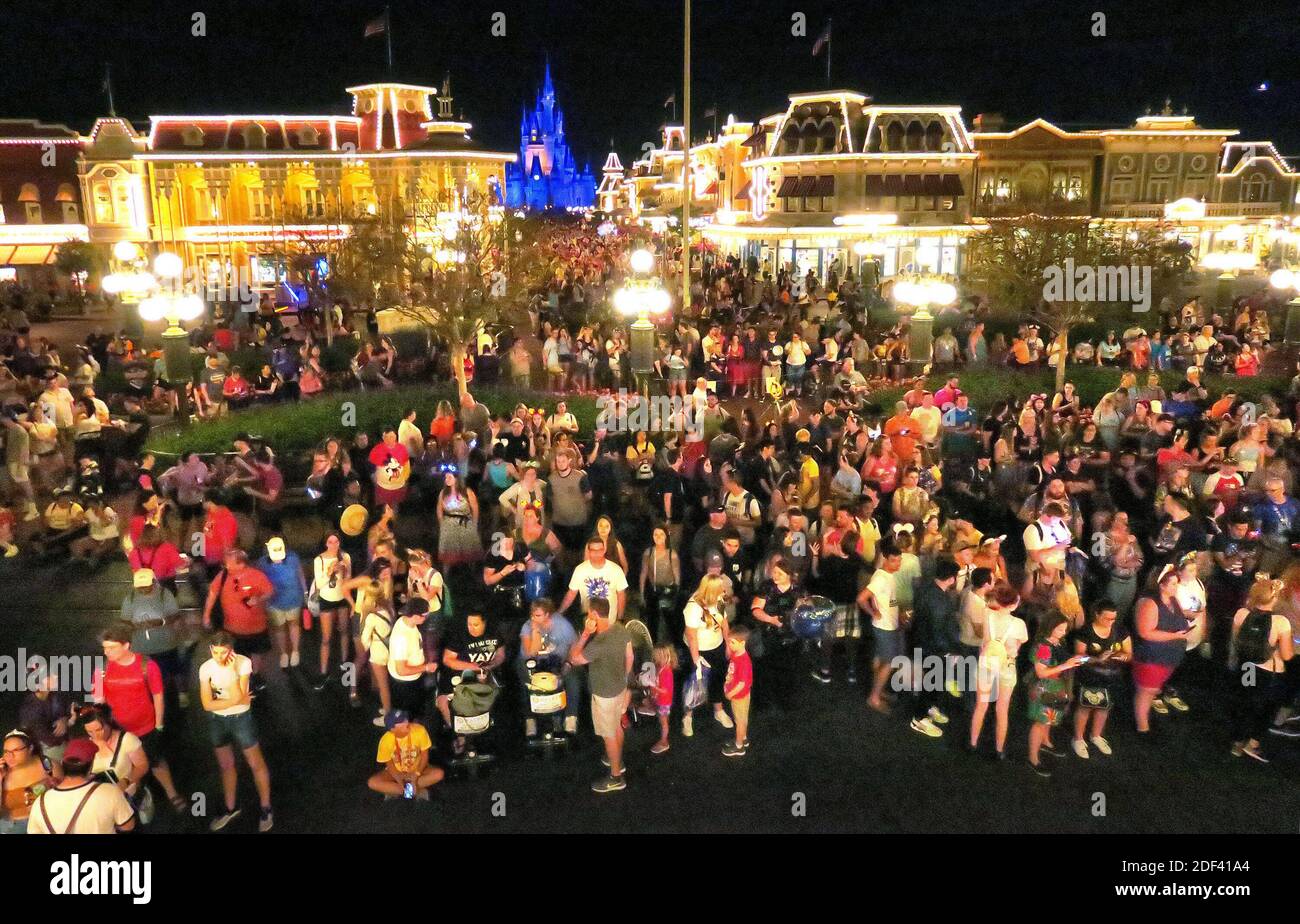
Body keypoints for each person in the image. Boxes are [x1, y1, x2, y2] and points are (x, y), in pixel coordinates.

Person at [91, 626, 186, 812]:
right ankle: (139, 797)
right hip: (118, 730)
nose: (106, 652)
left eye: (111, 647)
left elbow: (158, 695)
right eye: (105, 648)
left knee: (156, 761)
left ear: (126, 645)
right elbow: (98, 700)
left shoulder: (147, 666)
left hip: (146, 727)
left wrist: (158, 724)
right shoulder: (102, 669)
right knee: (128, 767)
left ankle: (171, 793)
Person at [198, 631, 274, 832]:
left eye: (224, 652)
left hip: (241, 719)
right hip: (217, 720)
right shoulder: (205, 668)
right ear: (210, 650)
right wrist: (236, 699)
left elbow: (238, 696)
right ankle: (231, 807)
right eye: (216, 652)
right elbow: (207, 703)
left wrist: (232, 674)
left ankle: (266, 807)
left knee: (255, 763)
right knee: (226, 765)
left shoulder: (242, 664)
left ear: (232, 651)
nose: (220, 657)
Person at [567, 598, 633, 793]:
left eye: (589, 613)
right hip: (619, 687)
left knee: (608, 734)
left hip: (604, 694)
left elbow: (574, 658)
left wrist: (585, 634)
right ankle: (617, 761)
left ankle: (615, 776)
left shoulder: (599, 642)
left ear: (594, 615)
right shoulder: (621, 630)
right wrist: (624, 678)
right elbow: (630, 656)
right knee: (616, 726)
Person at [1229, 577, 1294, 763]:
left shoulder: (1241, 614)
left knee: (1245, 703)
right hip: (1270, 673)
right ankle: (1253, 744)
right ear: (1275, 598)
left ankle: (1237, 743)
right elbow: (1287, 655)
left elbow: (1236, 641)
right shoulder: (1281, 622)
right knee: (1266, 709)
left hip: (1247, 667)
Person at [968, 583, 1028, 760]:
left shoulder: (987, 614)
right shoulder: (1019, 624)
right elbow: (1020, 643)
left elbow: (989, 605)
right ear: (1011, 605)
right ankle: (999, 749)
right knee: (1002, 709)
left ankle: (972, 742)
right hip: (1006, 666)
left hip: (986, 663)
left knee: (981, 705)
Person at [26, 738, 135, 835]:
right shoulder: (109, 792)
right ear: (91, 765)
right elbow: (127, 826)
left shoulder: (40, 802)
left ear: (62, 763)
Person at [1132, 567, 1191, 735]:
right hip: (1151, 657)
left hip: (1168, 657)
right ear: (1161, 584)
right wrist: (1174, 636)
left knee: (1152, 690)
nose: (1175, 587)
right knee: (1146, 691)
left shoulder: (1173, 601)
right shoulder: (1149, 603)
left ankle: (1145, 721)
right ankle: (1142, 727)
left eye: (1176, 583)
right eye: (1172, 584)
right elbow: (1145, 632)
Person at [1026, 613, 1085, 778]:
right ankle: (1033, 758)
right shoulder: (1043, 647)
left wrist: (1082, 659)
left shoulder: (1057, 642)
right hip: (1046, 688)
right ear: (1049, 627)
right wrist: (1066, 665)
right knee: (1040, 722)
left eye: (1065, 629)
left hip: (1058, 687)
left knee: (1049, 719)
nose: (1063, 632)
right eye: (1059, 629)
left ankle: (1045, 742)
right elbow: (1042, 672)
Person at [1071, 600, 1131, 759]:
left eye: (1113, 619)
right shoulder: (1085, 632)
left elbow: (1129, 653)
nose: (1111, 622)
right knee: (1085, 706)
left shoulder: (1120, 630)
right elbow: (1079, 658)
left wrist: (1121, 656)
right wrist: (1096, 659)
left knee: (1104, 707)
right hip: (1090, 676)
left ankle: (1096, 735)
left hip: (1111, 676)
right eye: (1107, 618)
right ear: (1096, 614)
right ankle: (1078, 738)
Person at [517, 598, 581, 736]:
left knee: (573, 679)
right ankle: (530, 719)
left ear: (547, 615)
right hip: (534, 662)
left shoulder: (562, 625)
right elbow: (531, 653)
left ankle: (571, 717)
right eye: (533, 615)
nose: (534, 618)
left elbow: (575, 646)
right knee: (525, 681)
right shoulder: (527, 627)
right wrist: (535, 631)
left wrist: (568, 663)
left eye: (538, 615)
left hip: (558, 660)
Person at [681, 574, 733, 736]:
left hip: (716, 646)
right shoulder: (693, 607)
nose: (724, 591)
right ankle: (687, 717)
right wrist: (696, 659)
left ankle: (718, 709)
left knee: (718, 677)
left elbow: (724, 622)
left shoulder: (719, 599)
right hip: (697, 649)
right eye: (720, 588)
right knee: (694, 683)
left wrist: (728, 643)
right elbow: (691, 635)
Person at [859, 541, 904, 714]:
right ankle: (874, 697)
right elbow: (862, 598)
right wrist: (872, 612)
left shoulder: (886, 575)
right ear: (885, 559)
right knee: (889, 662)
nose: (897, 564)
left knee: (880, 658)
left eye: (899, 560)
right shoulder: (881, 578)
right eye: (894, 561)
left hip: (886, 624)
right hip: (884, 626)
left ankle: (878, 689)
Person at [368, 709, 444, 800]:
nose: (406, 722)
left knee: (439, 774)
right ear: (392, 729)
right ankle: (414, 790)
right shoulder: (386, 740)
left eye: (405, 719)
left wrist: (416, 773)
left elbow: (424, 756)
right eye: (401, 721)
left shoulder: (419, 730)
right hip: (397, 771)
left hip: (417, 768)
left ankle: (397, 791)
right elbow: (389, 763)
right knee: (372, 782)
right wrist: (398, 778)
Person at [256, 536, 307, 670]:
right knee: (279, 628)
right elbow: (259, 582)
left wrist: (306, 592)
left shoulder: (293, 558)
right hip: (274, 601)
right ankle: (284, 653)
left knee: (294, 624)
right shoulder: (262, 563)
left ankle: (295, 651)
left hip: (293, 598)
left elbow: (300, 574)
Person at [0, 730, 56, 834]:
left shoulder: (47, 765)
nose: (9, 756)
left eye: (16, 750)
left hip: (45, 823)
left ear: (30, 749)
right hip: (12, 827)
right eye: (6, 751)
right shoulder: (2, 771)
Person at [560, 537, 628, 621]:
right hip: (588, 619)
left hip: (609, 620)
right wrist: (560, 611)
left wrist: (620, 617)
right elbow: (571, 593)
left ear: (604, 550)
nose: (597, 553)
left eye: (599, 550)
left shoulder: (615, 569)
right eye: (593, 550)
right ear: (588, 551)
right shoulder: (580, 569)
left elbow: (621, 595)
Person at [721, 625, 753, 757]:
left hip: (739, 696)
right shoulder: (736, 655)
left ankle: (739, 746)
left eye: (732, 642)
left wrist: (730, 693)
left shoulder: (744, 662)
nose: (729, 645)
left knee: (740, 721)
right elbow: (734, 672)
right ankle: (743, 738)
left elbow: (742, 683)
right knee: (740, 719)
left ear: (742, 643)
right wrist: (728, 678)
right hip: (738, 695)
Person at [650, 642, 677, 755]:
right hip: (661, 700)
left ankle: (664, 741)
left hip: (664, 702)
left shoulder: (666, 672)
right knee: (663, 719)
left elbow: (665, 690)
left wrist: (654, 686)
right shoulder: (662, 668)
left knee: (663, 722)